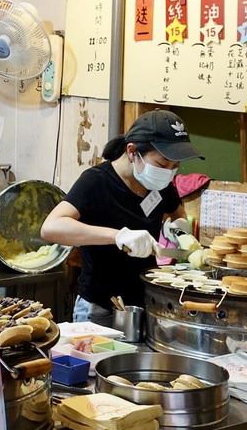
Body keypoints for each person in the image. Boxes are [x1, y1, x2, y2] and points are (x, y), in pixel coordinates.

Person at [41, 110, 203, 327]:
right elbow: (51, 227)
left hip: (146, 302)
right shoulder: (96, 181)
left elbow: (177, 213)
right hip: (100, 307)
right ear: (132, 151)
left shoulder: (160, 185)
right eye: (163, 164)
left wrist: (177, 229)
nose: (169, 172)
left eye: (176, 166)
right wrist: (118, 236)